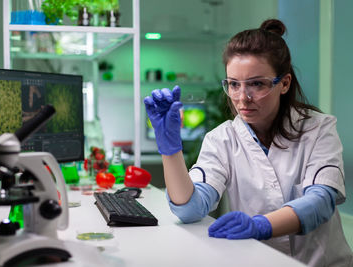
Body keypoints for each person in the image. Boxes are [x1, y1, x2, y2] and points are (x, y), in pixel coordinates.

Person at [144, 19, 353, 266]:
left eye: (256, 84)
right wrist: (170, 149)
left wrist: (261, 225)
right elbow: (189, 209)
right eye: (233, 84)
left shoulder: (318, 129)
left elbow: (320, 202)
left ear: (284, 83)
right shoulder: (221, 139)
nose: (242, 98)